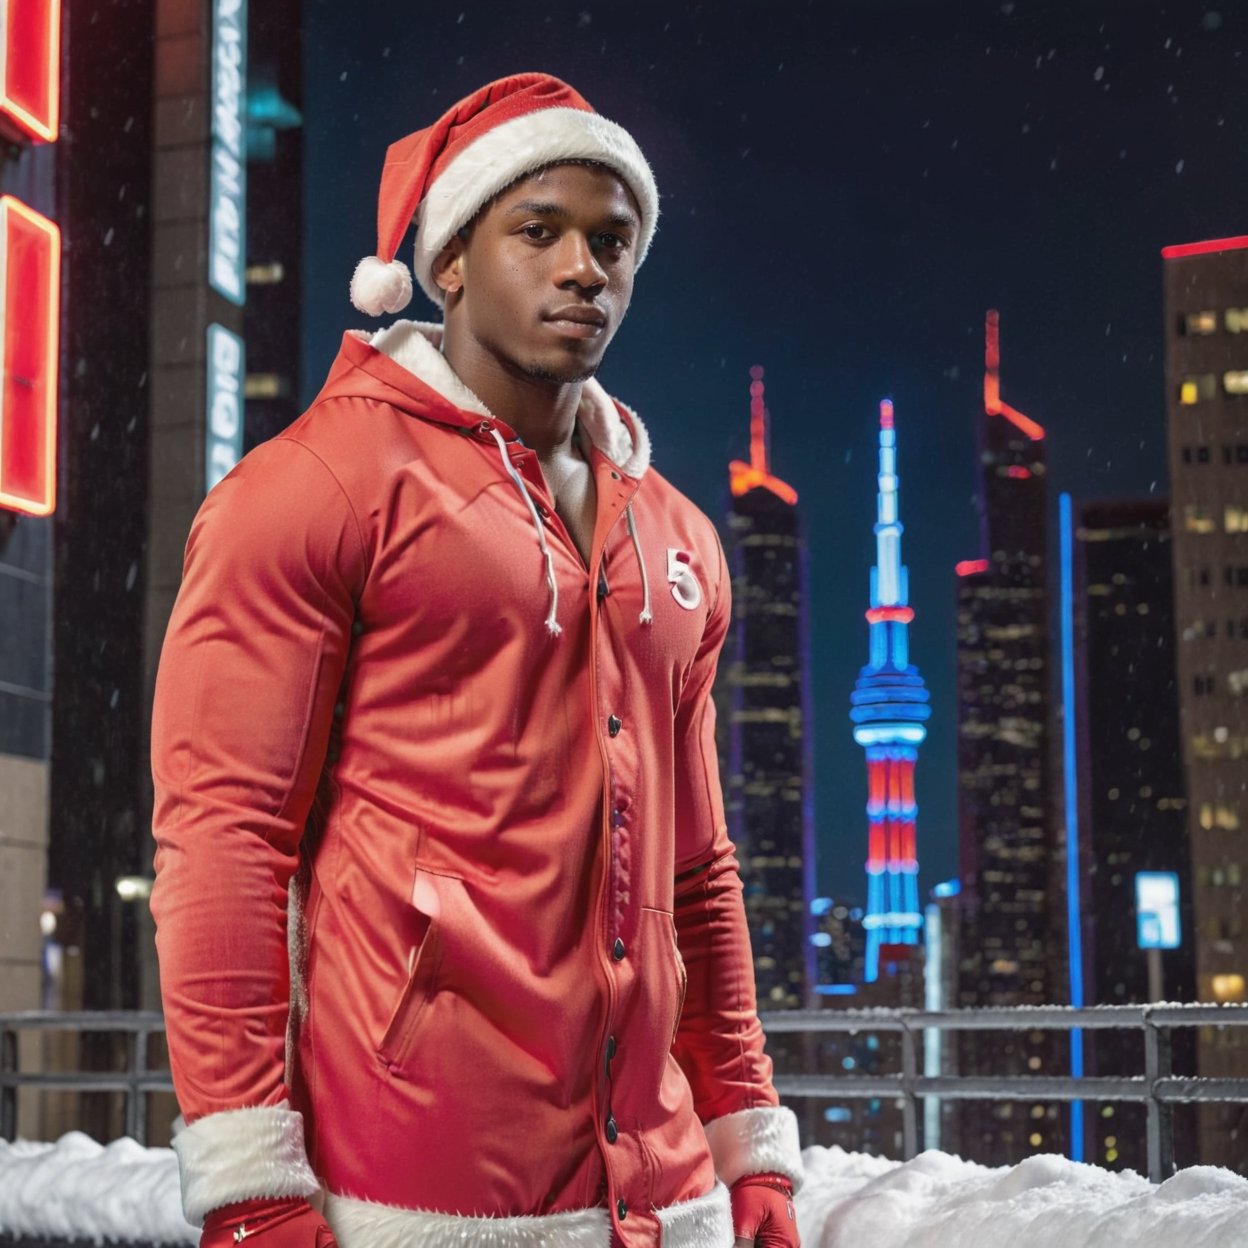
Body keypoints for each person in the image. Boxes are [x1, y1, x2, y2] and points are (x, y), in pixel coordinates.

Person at [150, 73, 803, 1248]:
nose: (583, 268)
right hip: (410, 1190)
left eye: (612, 240)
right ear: (449, 258)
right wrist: (249, 1185)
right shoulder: (314, 489)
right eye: (537, 230)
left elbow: (698, 870)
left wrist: (746, 1132)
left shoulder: (681, 537)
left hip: (662, 1202)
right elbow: (223, 838)